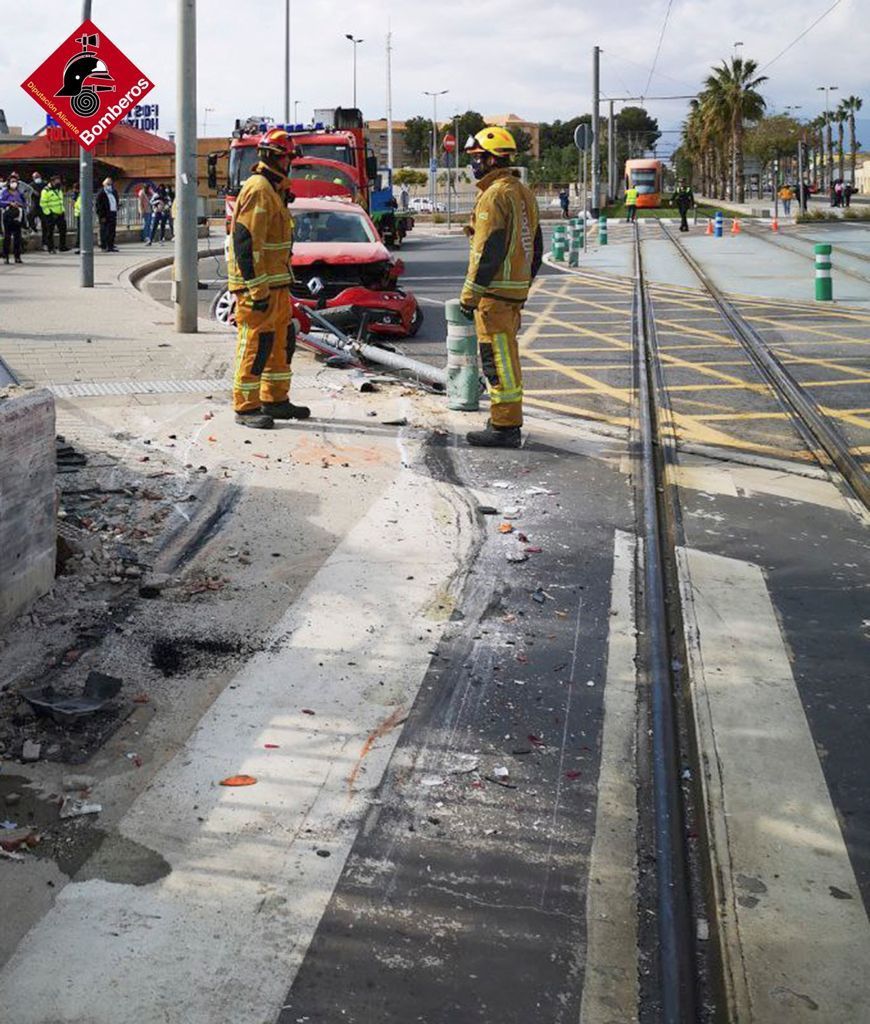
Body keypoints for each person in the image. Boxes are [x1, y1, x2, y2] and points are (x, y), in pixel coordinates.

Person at [459, 126, 543, 448]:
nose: (474, 165)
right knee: (508, 357)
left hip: (493, 295)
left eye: (478, 158)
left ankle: (505, 427)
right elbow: (536, 244)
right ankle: (504, 418)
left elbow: (487, 250)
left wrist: (470, 296)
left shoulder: (493, 196)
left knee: (497, 360)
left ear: (493, 159)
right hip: (514, 292)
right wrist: (524, 283)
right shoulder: (524, 192)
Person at [227, 127, 310, 429]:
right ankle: (246, 406)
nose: (291, 164)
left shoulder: (273, 189)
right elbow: (246, 240)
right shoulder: (259, 188)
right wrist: (257, 288)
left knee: (279, 343)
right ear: (277, 158)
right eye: (289, 158)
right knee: (256, 344)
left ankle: (275, 399)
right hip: (258, 289)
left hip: (276, 284)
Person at [0, 175, 27, 264]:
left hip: (17, 216)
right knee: (7, 237)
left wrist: (20, 204)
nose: (14, 183)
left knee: (17, 237)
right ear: (8, 183)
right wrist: (9, 203)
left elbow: (24, 203)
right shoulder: (5, 192)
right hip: (8, 216)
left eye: (15, 181)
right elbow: (1, 202)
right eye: (12, 181)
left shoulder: (19, 192)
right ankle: (6, 257)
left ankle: (17, 256)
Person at [40, 175, 67, 252]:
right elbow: (43, 204)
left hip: (60, 213)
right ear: (52, 182)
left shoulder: (59, 189)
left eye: (59, 181)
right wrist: (49, 213)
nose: (58, 182)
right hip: (51, 214)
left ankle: (62, 246)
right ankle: (50, 248)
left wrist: (62, 210)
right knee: (50, 232)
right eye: (56, 181)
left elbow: (60, 201)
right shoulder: (46, 191)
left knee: (63, 230)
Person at [95, 177, 119, 251]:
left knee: (112, 231)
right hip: (105, 215)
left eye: (111, 184)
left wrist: (117, 206)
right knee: (104, 231)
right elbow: (98, 205)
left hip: (112, 213)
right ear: (104, 184)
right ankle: (104, 246)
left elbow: (116, 200)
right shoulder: (101, 193)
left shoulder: (114, 192)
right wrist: (101, 216)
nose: (110, 185)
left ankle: (110, 246)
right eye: (108, 184)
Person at [28, 170, 45, 239]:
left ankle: (45, 241)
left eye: (37, 176)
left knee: (45, 224)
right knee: (29, 216)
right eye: (35, 177)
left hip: (43, 206)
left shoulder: (44, 184)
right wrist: (33, 192)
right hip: (35, 205)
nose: (36, 178)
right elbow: (27, 193)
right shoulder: (31, 185)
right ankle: (34, 228)